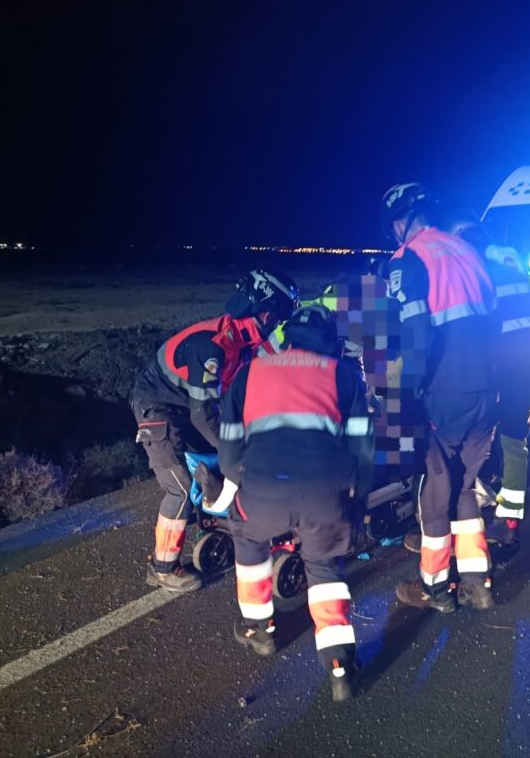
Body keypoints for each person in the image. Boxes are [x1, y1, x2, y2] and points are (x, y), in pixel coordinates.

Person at [217, 304, 373, 703]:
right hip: (326, 495)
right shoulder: (344, 375)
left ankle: (260, 629)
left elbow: (230, 442)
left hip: (263, 490)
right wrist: (357, 499)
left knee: (249, 541)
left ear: (288, 338)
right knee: (324, 569)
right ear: (331, 343)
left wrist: (240, 479)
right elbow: (362, 447)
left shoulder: (250, 372)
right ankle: (339, 667)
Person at [130, 269, 299, 592]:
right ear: (262, 310)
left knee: (219, 457)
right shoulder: (212, 346)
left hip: (187, 407)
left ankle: (215, 498)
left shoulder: (245, 344)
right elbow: (203, 413)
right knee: (179, 485)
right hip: (158, 405)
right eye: (275, 315)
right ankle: (162, 568)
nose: (276, 322)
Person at [380, 182, 498, 613]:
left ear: (402, 221)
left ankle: (435, 589)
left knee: (436, 488)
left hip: (443, 392)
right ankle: (477, 584)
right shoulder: (466, 250)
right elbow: (493, 318)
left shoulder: (408, 259)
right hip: (487, 389)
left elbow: (413, 333)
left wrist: (405, 396)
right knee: (466, 487)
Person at [446, 211, 530, 546]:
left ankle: (485, 511)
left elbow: (476, 319)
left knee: (477, 430)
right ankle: (508, 518)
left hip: (504, 360)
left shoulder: (473, 263)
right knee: (515, 436)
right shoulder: (509, 254)